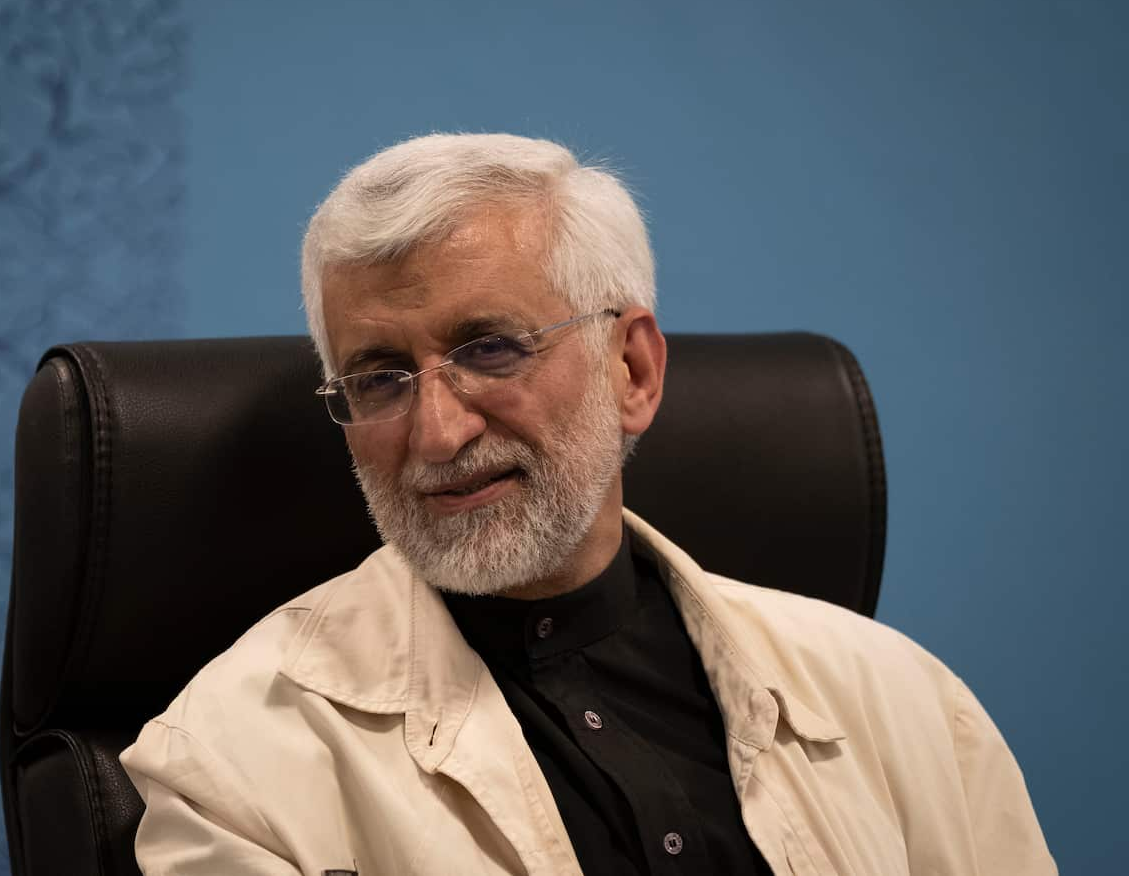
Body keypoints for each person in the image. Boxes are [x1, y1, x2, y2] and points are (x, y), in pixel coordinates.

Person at [120, 133, 1055, 875]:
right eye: (379, 377)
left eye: (489, 347)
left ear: (632, 368)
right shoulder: (233, 769)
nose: (436, 434)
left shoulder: (906, 705)